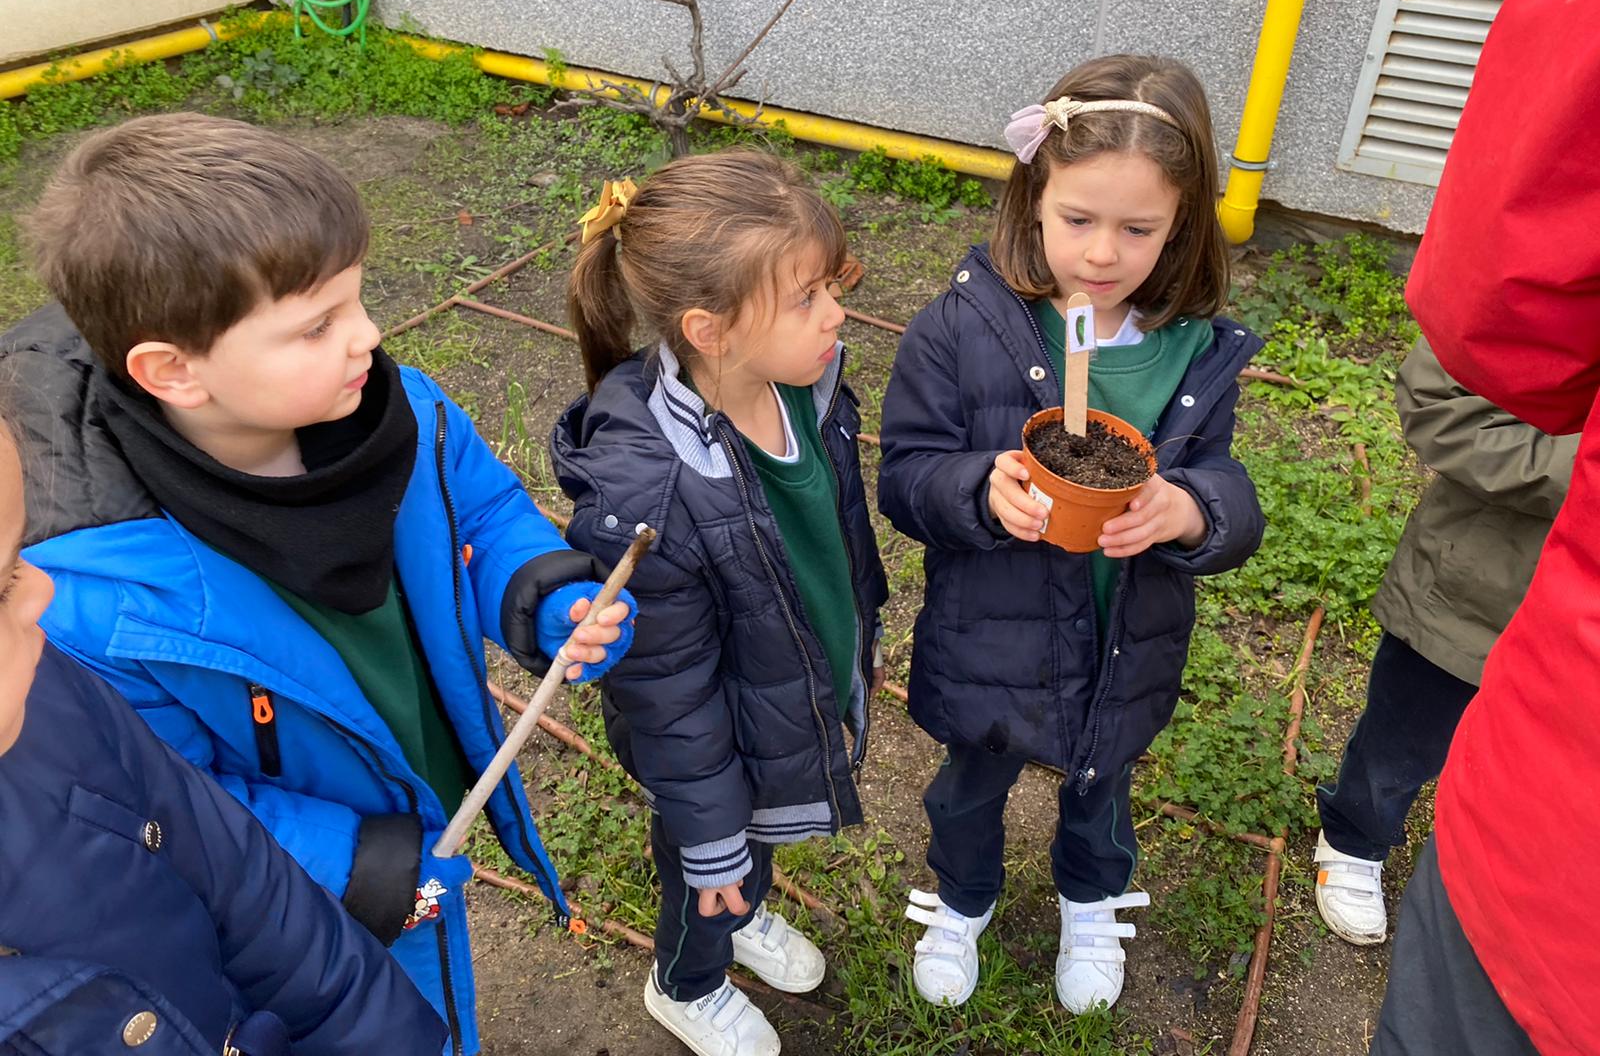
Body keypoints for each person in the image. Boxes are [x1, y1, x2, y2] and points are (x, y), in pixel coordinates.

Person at [1, 113, 635, 1056]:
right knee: (394, 1012)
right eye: (317, 324)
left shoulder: (401, 409)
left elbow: (486, 511)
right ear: (173, 371)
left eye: (358, 300)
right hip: (329, 897)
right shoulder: (93, 603)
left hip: (426, 783)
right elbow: (181, 804)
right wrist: (364, 867)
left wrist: (545, 595)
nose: (369, 337)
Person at [878, 55, 1265, 1014]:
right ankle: (962, 896)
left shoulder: (1192, 350)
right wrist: (978, 490)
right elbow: (907, 471)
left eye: (1139, 229)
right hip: (994, 630)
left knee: (1104, 779)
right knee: (973, 778)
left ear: (1182, 223)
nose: (1101, 254)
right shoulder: (964, 327)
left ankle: (1090, 897)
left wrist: (1193, 511)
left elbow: (1220, 477)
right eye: (1077, 219)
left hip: (1126, 625)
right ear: (1033, 196)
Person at [551, 151, 888, 1056]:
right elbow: (666, 689)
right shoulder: (652, 489)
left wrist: (861, 624)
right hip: (716, 739)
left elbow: (831, 529)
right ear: (710, 329)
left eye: (830, 287)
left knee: (755, 849)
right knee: (712, 866)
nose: (837, 313)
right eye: (807, 297)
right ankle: (688, 978)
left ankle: (744, 907)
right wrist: (707, 834)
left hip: (784, 685)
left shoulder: (803, 387)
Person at [0, 413, 450, 1055]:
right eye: (3, 584)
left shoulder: (48, 692)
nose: (41, 587)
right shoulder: (97, 614)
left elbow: (224, 860)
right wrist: (342, 858)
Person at [1370, 0, 1600, 1056]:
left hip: (1551, 855)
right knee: (1400, 743)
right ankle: (1354, 838)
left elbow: (1500, 308)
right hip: (1476, 603)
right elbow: (1460, 387)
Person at [1312, 337, 1577, 945]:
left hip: (1578, 629)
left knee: (1546, 763)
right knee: (1409, 732)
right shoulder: (1546, 285)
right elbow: (1443, 407)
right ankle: (1357, 837)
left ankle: (1503, 879)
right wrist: (1582, 469)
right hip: (1481, 589)